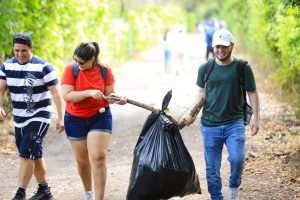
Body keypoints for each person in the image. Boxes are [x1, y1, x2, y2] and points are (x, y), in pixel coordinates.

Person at [184, 29, 260, 200]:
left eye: (224, 47)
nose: (220, 50)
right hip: (210, 125)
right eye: (217, 47)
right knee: (211, 169)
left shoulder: (242, 67)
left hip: (235, 123)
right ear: (213, 47)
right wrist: (192, 113)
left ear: (231, 46)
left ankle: (233, 187)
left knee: (237, 159)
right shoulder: (206, 67)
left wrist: (256, 117)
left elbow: (252, 93)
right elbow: (201, 93)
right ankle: (216, 197)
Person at [0, 32, 65, 200]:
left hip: (40, 115)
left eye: (24, 50)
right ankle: (44, 191)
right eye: (17, 51)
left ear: (31, 48)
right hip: (19, 117)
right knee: (34, 153)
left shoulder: (44, 66)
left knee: (27, 152)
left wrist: (61, 117)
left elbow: (57, 94)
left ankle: (20, 193)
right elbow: (0, 89)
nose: (20, 54)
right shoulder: (7, 66)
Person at [61, 42, 127, 200]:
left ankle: (99, 198)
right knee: (83, 161)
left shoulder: (105, 71)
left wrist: (118, 99)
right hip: (74, 119)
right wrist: (89, 92)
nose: (77, 64)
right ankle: (88, 192)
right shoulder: (71, 69)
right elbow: (67, 95)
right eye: (75, 60)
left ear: (93, 59)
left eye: (81, 62)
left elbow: (109, 95)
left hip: (100, 116)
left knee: (98, 157)